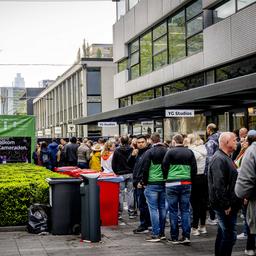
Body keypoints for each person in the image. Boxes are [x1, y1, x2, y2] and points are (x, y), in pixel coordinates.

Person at [208, 132, 241, 256]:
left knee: (223, 233)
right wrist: (226, 204)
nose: (236, 142)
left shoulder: (225, 157)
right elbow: (218, 185)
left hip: (226, 203)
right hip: (224, 205)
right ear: (226, 142)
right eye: (234, 140)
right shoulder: (219, 159)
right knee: (229, 236)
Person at [162, 134, 197, 245]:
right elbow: (194, 169)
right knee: (185, 210)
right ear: (183, 141)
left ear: (174, 141)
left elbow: (164, 167)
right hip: (186, 183)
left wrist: (166, 178)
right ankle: (186, 236)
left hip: (172, 184)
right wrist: (189, 178)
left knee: (173, 211)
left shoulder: (170, 152)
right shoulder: (190, 152)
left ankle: (174, 236)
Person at [141, 133, 167, 242]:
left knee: (153, 209)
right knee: (162, 208)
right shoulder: (167, 151)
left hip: (152, 183)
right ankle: (162, 233)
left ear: (151, 141)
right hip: (164, 183)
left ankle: (156, 234)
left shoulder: (149, 152)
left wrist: (144, 182)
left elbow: (145, 169)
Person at [235, 130, 256, 256]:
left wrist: (244, 193)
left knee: (251, 219)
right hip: (250, 193)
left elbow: (247, 176)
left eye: (245, 140)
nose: (243, 143)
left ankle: (250, 247)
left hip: (251, 194)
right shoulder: (244, 152)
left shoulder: (250, 152)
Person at [128, 135, 151, 232]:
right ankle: (147, 224)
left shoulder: (148, 153)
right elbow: (129, 164)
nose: (140, 144)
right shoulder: (137, 153)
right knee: (142, 204)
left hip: (142, 183)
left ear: (146, 142)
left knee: (143, 204)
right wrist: (132, 156)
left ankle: (144, 225)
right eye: (139, 142)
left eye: (142, 142)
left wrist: (142, 181)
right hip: (137, 181)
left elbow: (146, 169)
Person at [187, 133, 208, 236]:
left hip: (194, 178)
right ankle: (203, 226)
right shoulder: (204, 149)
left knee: (195, 204)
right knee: (203, 203)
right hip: (203, 177)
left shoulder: (192, 151)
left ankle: (194, 227)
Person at [112, 135, 134, 219]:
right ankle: (131, 212)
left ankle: (119, 213)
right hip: (130, 173)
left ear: (120, 141)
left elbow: (114, 163)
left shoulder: (117, 150)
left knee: (120, 193)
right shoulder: (131, 149)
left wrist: (116, 172)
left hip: (120, 174)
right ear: (128, 141)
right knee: (130, 193)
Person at [205, 123, 220, 225]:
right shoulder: (222, 137)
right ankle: (220, 215)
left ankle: (213, 217)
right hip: (222, 169)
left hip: (213, 171)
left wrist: (207, 172)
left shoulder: (211, 141)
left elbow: (209, 159)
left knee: (212, 194)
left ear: (209, 129)